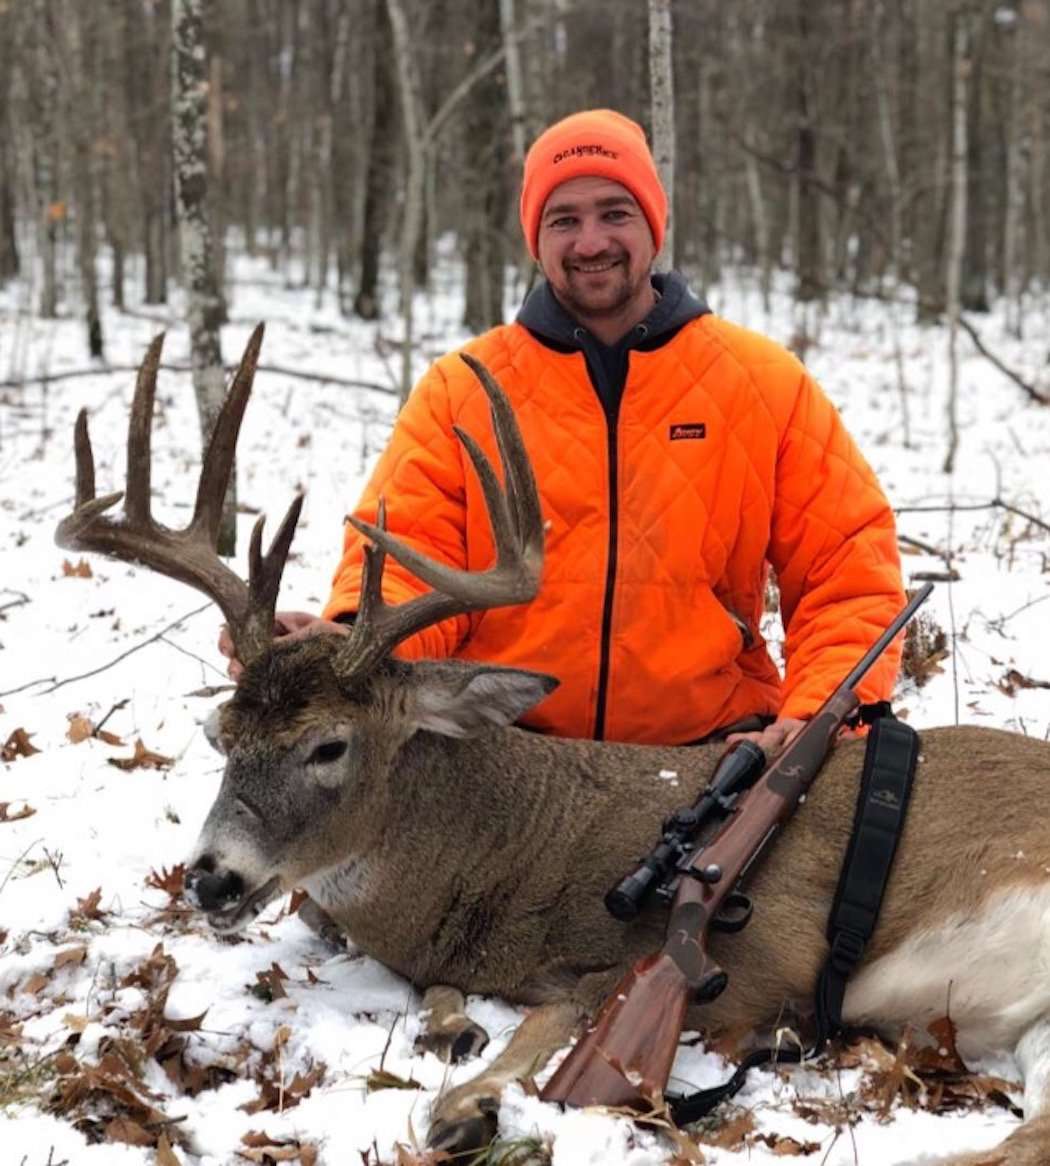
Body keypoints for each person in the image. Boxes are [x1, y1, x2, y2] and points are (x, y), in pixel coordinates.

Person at [222, 109, 905, 758]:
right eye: (564, 219)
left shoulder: (759, 382)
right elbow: (407, 558)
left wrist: (816, 716)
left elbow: (848, 571)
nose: (591, 242)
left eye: (615, 213)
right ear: (536, 237)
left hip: (711, 752)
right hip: (510, 761)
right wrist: (348, 647)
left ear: (653, 224)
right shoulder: (464, 390)